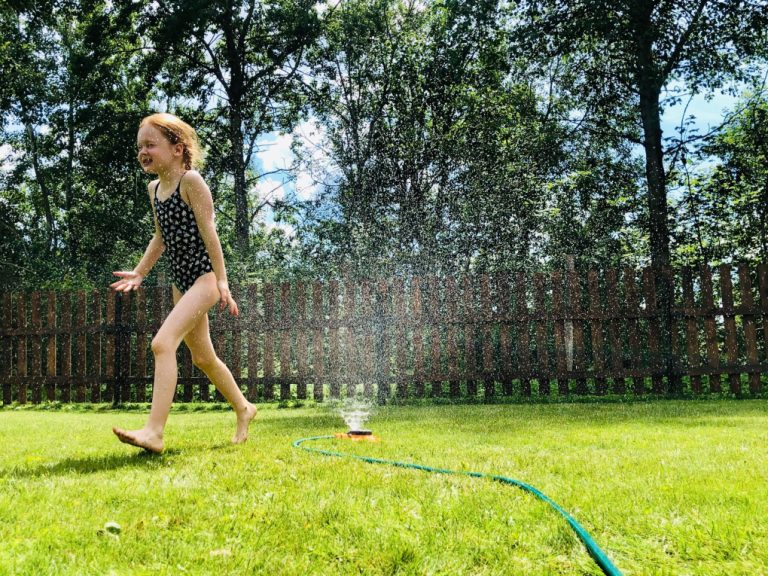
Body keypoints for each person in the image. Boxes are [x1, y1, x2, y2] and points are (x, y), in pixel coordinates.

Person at [110, 112, 257, 454]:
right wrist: (141, 271)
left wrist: (222, 281)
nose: (142, 151)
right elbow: (160, 237)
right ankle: (244, 408)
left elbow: (211, 236)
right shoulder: (154, 189)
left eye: (150, 144)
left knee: (162, 344)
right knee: (204, 357)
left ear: (177, 148)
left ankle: (154, 432)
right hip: (181, 282)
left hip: (204, 279)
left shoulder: (192, 182)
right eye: (139, 146)